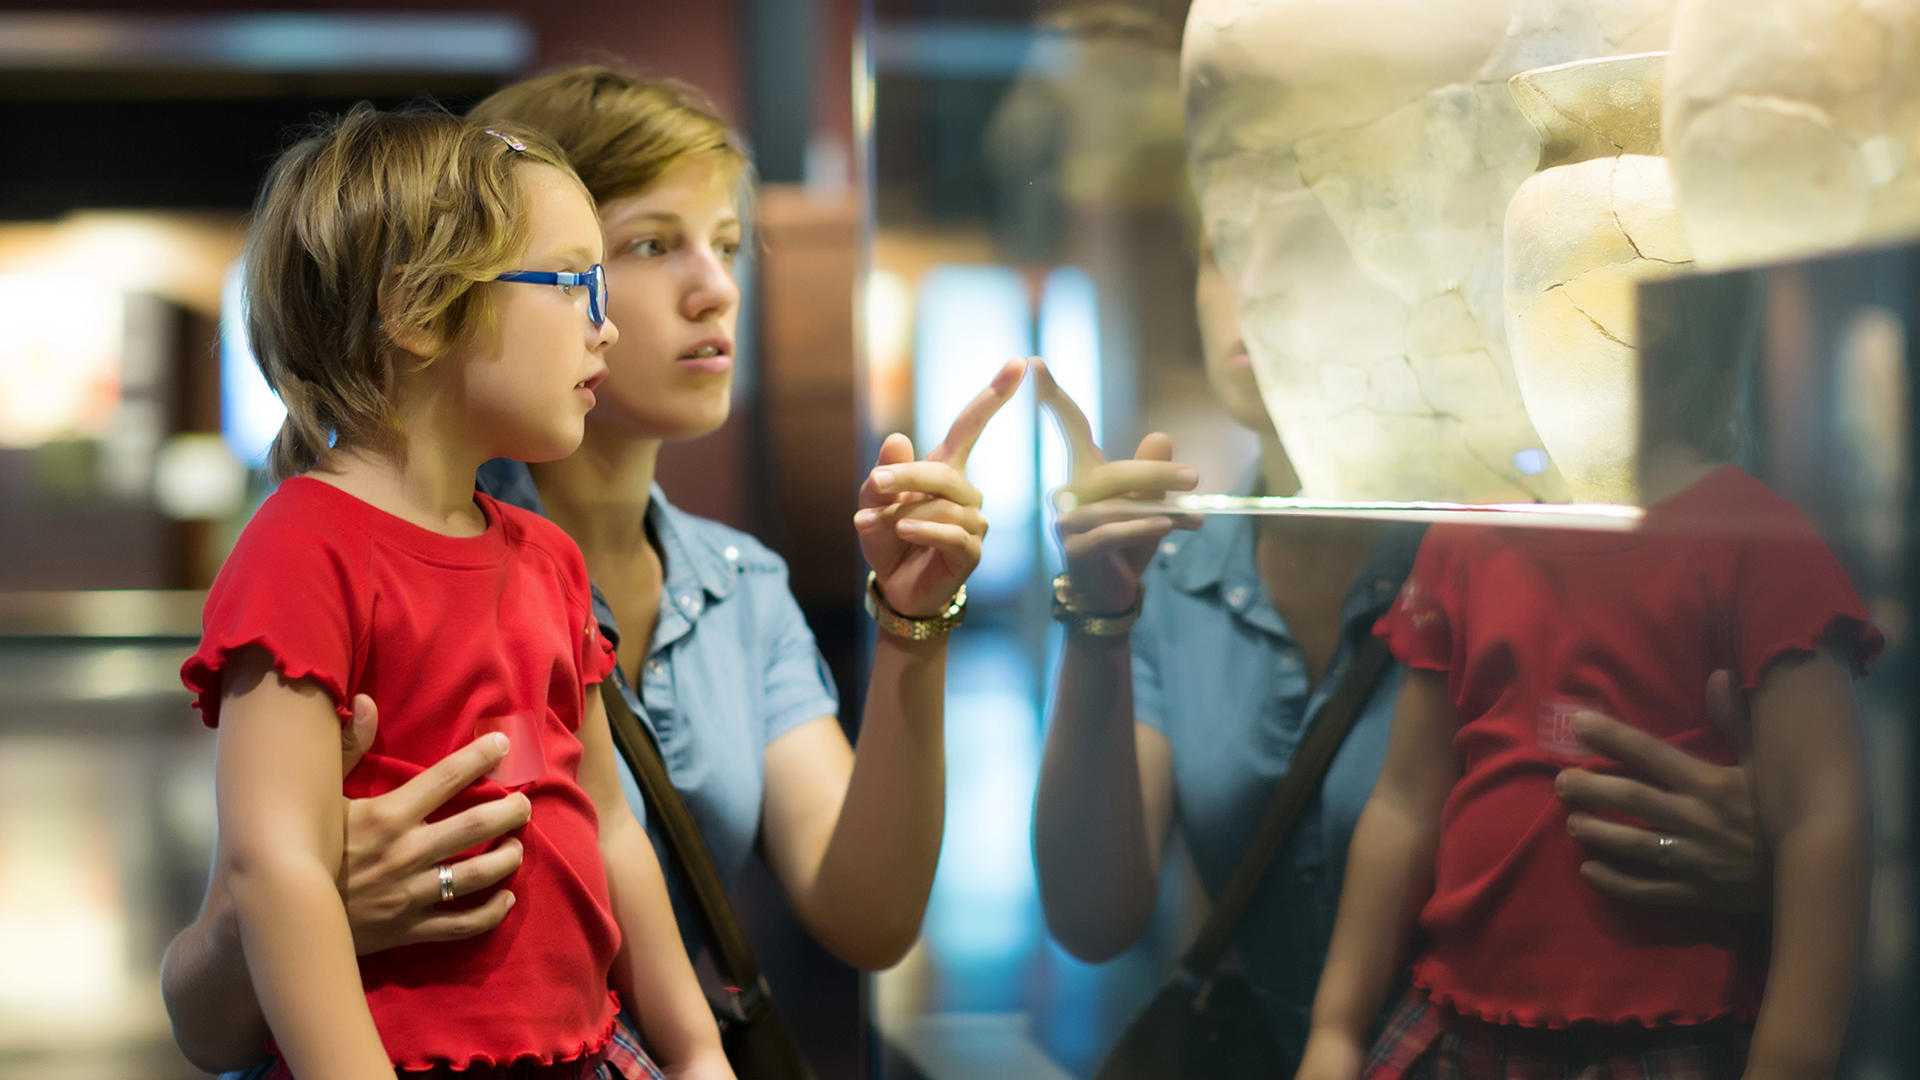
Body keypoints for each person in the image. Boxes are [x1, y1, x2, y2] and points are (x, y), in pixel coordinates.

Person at [161, 66, 1020, 1075]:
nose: (717, 288)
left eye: (730, 246)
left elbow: (861, 914)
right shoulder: (321, 544)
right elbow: (241, 941)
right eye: (640, 251)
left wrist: (914, 623)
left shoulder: (702, 580)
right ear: (430, 301)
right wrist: (299, 905)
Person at [1031, 246, 1781, 1064]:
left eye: (1309, 234)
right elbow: (1092, 920)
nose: (1254, 282)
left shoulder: (1521, 542)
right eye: (1220, 249)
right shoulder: (1177, 573)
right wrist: (1096, 618)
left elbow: (1768, 819)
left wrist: (1764, 857)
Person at [179, 106, 729, 1078]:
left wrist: (695, 1053)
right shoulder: (304, 547)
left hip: (583, 1051)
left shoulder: (548, 560)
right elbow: (277, 868)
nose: (602, 327)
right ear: (419, 309)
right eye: (571, 284)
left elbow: (608, 821)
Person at [1296, 272, 1882, 1079]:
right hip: (1461, 1019)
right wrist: (1335, 1028)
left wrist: (1791, 1057)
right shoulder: (1474, 529)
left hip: (1669, 1034)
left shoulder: (1757, 540)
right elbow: (1405, 801)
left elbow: (1824, 817)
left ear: (1666, 309)